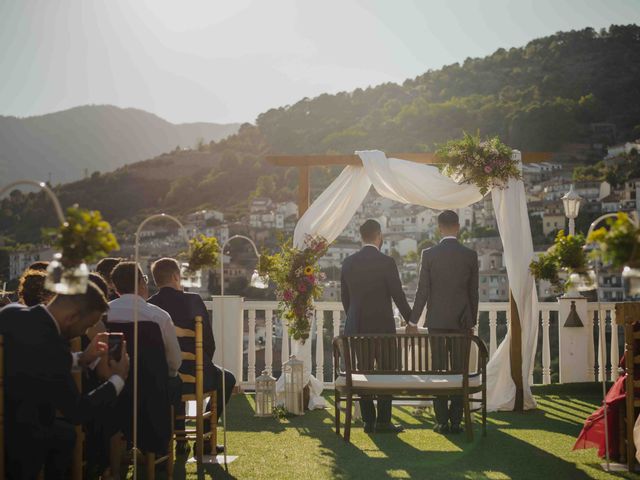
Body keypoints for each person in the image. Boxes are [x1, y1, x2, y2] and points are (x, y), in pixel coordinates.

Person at [0, 281, 130, 479]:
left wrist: (82, 359)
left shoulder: (11, 312)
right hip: (21, 435)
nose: (83, 331)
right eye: (86, 325)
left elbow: (36, 362)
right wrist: (118, 379)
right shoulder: (52, 345)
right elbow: (77, 411)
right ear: (71, 318)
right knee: (68, 433)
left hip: (10, 412)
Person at [148, 257, 235, 455]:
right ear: (176, 276)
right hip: (198, 376)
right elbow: (209, 343)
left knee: (173, 375)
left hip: (164, 380)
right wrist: (201, 366)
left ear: (156, 281)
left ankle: (179, 440)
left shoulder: (150, 306)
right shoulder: (193, 300)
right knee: (227, 379)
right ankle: (203, 440)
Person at [409, 210, 479, 434]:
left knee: (438, 370)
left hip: (436, 322)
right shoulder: (470, 255)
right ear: (458, 227)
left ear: (439, 228)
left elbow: (422, 291)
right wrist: (472, 320)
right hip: (462, 322)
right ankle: (457, 420)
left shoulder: (428, 254)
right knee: (459, 371)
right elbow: (473, 293)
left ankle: (441, 421)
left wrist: (413, 320)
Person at [340, 219, 412, 434]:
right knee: (386, 372)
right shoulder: (387, 262)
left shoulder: (348, 263)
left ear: (361, 237)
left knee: (363, 372)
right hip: (382, 327)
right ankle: (383, 421)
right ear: (379, 236)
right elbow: (398, 296)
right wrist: (411, 320)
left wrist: (354, 316)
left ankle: (369, 421)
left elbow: (346, 299)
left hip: (357, 327)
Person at [107, 261, 182, 377]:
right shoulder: (159, 316)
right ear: (142, 282)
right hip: (152, 388)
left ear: (116, 289)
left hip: (113, 386)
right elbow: (175, 363)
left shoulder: (103, 314)